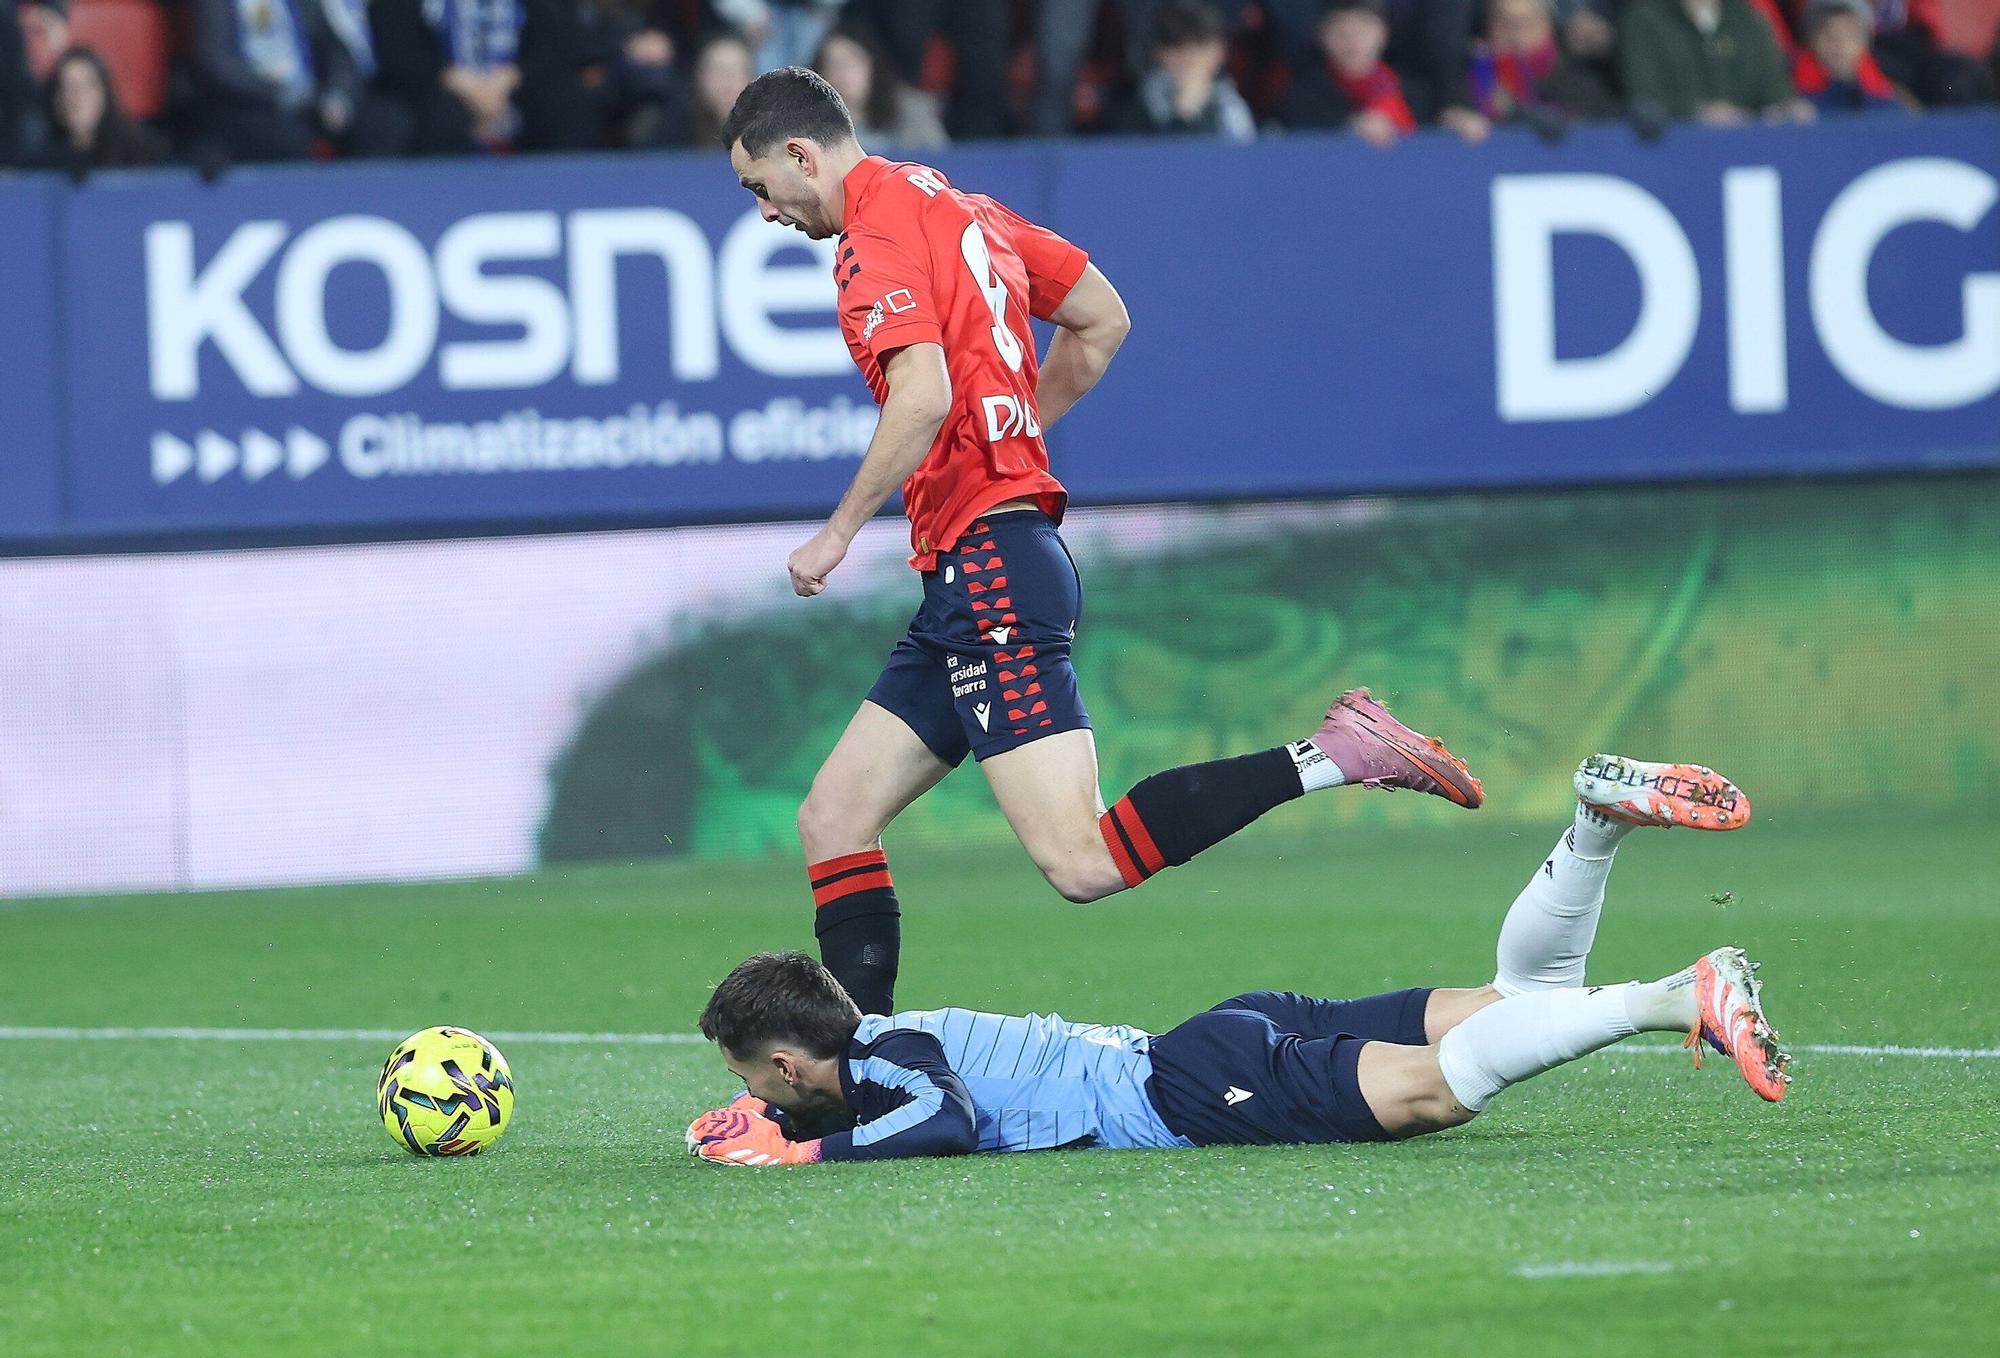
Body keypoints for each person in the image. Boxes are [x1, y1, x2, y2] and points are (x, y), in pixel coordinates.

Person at [720, 67, 1484, 1018]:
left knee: (1080, 861)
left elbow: (922, 395)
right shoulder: (961, 207)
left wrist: (836, 535)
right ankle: (865, 1075)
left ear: (802, 153)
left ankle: (1337, 752)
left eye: (760, 188)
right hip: (976, 572)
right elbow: (1101, 317)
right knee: (833, 820)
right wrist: (1012, 434)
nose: (767, 212)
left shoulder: (872, 242)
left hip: (991, 572)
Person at [687, 755, 1786, 1166]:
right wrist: (768, 1128)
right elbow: (871, 1102)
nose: (746, 1090)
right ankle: (1594, 819)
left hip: (1187, 1084)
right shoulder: (866, 1052)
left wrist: (800, 1158)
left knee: (1425, 1097)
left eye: (746, 1076)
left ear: (787, 1059)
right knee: (1510, 1001)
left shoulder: (892, 1058)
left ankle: (1669, 993)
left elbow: (943, 1119)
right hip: (1211, 1038)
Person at [1618, 0, 1815, 124]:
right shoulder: (1644, 20)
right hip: (1677, 148)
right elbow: (1644, 98)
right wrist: (1696, 112)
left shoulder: (1748, 20)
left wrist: (1786, 108)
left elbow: (1775, 88)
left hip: (1748, 145)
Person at [1276, 0, 1422, 146]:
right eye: (1340, 31)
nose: (1352, 41)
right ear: (1321, 35)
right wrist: (1352, 125)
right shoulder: (1301, 98)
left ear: (1384, 33)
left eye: (1363, 29)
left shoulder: (1416, 95)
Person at [1109, 0, 1258, 142]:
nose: (1189, 59)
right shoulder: (1133, 111)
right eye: (1178, 48)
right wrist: (1186, 111)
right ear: (1158, 53)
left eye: (1200, 45)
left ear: (1219, 52)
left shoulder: (1234, 108)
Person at [1465, 0, 1621, 129]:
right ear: (1489, 27)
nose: (1517, 33)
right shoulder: (1471, 82)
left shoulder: (1578, 83)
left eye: (1527, 23)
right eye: (1505, 24)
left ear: (1548, 26)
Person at [35, 46, 169, 175]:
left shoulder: (144, 155)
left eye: (86, 86)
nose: (76, 97)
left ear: (105, 93)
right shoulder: (37, 166)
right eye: (65, 87)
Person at [812, 26, 946, 150]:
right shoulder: (810, 122)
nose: (842, 74)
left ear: (873, 66)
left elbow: (941, 160)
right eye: (833, 65)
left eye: (851, 64)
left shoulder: (910, 111)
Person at [1793, 0, 1904, 114]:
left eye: (1849, 36)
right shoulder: (1791, 89)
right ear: (1812, 41)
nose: (1839, 44)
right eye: (1829, 35)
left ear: (1864, 43)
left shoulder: (1885, 95)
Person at [684, 31, 753, 149]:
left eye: (736, 71)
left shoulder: (773, 134)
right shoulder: (672, 128)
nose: (728, 80)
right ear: (700, 77)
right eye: (718, 70)